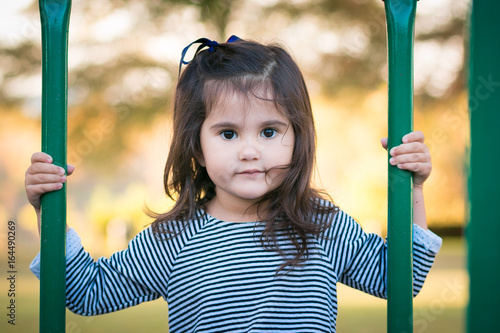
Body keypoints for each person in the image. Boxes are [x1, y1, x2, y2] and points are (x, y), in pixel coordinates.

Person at [26, 36, 441, 332]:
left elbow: (398, 279)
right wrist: (49, 211)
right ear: (198, 147)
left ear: (298, 137)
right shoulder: (174, 239)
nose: (249, 151)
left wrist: (413, 191)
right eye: (228, 133)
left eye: (269, 131)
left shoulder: (321, 227)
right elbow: (88, 292)